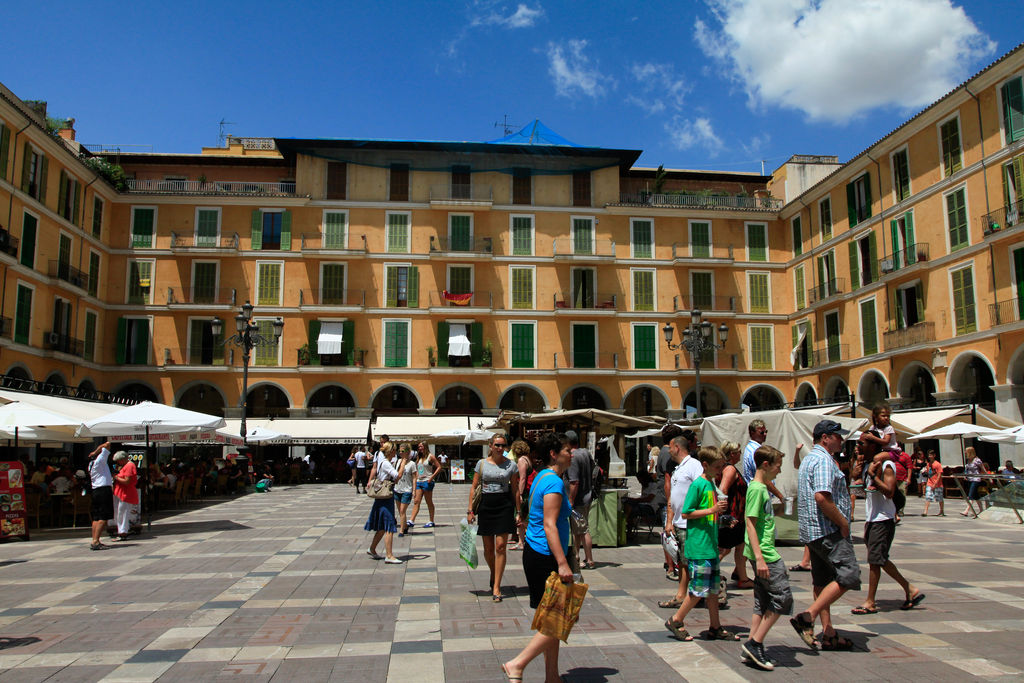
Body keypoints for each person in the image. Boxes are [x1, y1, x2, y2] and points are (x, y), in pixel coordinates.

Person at [501, 432, 574, 683]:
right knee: (556, 619)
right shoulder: (553, 481)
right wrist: (563, 563)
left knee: (550, 618)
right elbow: (549, 524)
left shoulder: (543, 476)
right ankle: (517, 664)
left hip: (535, 552)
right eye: (567, 450)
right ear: (554, 454)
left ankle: (552, 676)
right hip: (547, 556)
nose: (571, 453)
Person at [790, 419, 861, 651]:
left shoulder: (810, 458)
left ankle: (828, 632)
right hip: (828, 530)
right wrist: (843, 523)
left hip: (813, 532)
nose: (841, 439)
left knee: (822, 581)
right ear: (825, 438)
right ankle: (807, 616)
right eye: (837, 436)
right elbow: (822, 497)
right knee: (849, 575)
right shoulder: (822, 460)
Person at [665, 446, 738, 642]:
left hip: (710, 545)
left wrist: (723, 518)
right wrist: (713, 509)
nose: (720, 470)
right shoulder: (698, 485)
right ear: (705, 465)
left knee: (713, 589)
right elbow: (687, 513)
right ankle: (676, 619)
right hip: (699, 546)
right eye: (717, 467)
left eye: (722, 466)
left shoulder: (711, 485)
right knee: (699, 589)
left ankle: (715, 626)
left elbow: (709, 513)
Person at [852, 446, 924, 615]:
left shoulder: (887, 465)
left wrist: (872, 476)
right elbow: (861, 489)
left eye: (862, 443)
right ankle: (910, 588)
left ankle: (870, 602)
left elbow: (890, 492)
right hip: (871, 517)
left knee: (875, 560)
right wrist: (856, 475)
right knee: (880, 558)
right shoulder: (867, 464)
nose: (857, 447)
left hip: (883, 518)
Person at [742, 445, 793, 671]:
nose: (779, 472)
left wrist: (779, 510)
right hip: (765, 553)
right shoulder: (757, 489)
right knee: (783, 598)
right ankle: (755, 643)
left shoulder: (762, 489)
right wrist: (760, 558)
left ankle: (751, 646)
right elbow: (750, 523)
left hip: (762, 550)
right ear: (766, 465)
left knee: (762, 600)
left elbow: (761, 519)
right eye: (777, 466)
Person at [467, 434, 519, 601]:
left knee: (500, 546)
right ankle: (493, 571)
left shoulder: (511, 465)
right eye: (497, 445)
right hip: (486, 505)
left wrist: (519, 511)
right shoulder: (481, 464)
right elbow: (474, 486)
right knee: (489, 550)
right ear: (490, 445)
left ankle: (496, 587)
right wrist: (470, 510)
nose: (500, 448)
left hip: (504, 505)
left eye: (503, 445)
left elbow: (515, 489)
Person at [659, 432, 705, 609]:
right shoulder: (678, 468)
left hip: (689, 524)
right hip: (679, 523)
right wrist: (669, 521)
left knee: (687, 562)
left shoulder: (694, 465)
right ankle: (683, 594)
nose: (668, 450)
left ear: (677, 448)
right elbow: (672, 498)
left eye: (670, 447)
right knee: (682, 562)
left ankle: (687, 595)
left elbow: (702, 490)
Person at [716, 441, 752, 589]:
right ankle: (707, 573)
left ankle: (742, 576)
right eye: (738, 452)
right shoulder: (730, 469)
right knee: (725, 548)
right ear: (732, 454)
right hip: (733, 516)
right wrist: (726, 515)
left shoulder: (725, 468)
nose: (740, 455)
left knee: (739, 546)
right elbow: (723, 490)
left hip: (735, 515)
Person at [364, 441, 404, 564]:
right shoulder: (386, 463)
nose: (396, 452)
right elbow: (397, 476)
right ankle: (389, 555)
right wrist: (403, 462)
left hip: (382, 497)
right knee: (389, 524)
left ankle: (372, 548)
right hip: (385, 497)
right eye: (395, 450)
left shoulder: (385, 462)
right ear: (390, 451)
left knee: (382, 526)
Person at [656, 423, 684, 579]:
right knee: (670, 533)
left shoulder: (662, 451)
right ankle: (671, 566)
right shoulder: (668, 453)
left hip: (664, 496)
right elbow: (668, 479)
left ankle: (670, 565)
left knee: (668, 532)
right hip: (668, 497)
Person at [565, 430, 595, 570]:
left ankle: (589, 560)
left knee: (583, 529)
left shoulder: (573, 457)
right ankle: (576, 555)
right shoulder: (585, 453)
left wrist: (571, 499)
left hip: (578, 499)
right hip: (587, 496)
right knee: (578, 529)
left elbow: (574, 481)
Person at [86, 441, 115, 551]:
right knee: (103, 517)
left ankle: (94, 539)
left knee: (96, 517)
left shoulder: (90, 465)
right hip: (103, 489)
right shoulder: (100, 460)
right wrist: (96, 451)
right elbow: (107, 444)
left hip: (95, 490)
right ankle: (96, 541)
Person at [408, 444, 442, 528]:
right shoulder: (418, 457)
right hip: (419, 481)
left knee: (428, 501)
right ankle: (411, 520)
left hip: (427, 481)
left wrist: (432, 477)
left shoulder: (431, 457)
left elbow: (439, 467)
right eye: (419, 447)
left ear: (425, 447)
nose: (420, 448)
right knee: (416, 501)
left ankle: (431, 520)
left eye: (421, 446)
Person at [509, 439, 533, 551]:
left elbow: (522, 478)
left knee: (521, 517)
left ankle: (523, 542)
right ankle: (521, 542)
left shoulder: (521, 460)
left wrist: (520, 494)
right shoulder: (528, 459)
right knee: (523, 518)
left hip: (525, 491)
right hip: (528, 491)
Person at [110, 451, 138, 542]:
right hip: (121, 493)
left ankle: (123, 532)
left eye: (118, 461)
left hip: (126, 493)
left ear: (123, 459)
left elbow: (127, 481)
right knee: (120, 513)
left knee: (123, 513)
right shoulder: (124, 466)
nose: (118, 463)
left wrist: (116, 477)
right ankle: (121, 531)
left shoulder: (129, 466)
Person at [392, 443, 416, 536]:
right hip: (397, 489)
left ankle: (401, 530)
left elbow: (414, 477)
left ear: (408, 452)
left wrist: (414, 490)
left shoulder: (412, 464)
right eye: (400, 451)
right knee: (400, 511)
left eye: (403, 451)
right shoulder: (397, 462)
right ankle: (405, 526)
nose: (401, 453)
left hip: (407, 490)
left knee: (402, 511)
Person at [961, 446, 989, 516]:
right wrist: (965, 475)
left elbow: (983, 468)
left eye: (966, 451)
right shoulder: (968, 460)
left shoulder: (977, 460)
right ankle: (981, 509)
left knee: (971, 495)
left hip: (976, 479)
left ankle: (966, 510)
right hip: (970, 479)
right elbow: (967, 469)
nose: (965, 453)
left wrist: (988, 477)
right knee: (976, 496)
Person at [922, 450, 945, 516]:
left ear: (934, 456)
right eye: (929, 455)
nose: (929, 456)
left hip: (938, 484)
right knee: (928, 496)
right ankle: (925, 511)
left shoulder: (938, 464)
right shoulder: (928, 464)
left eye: (931, 455)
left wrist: (936, 483)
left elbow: (939, 474)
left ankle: (941, 511)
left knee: (939, 498)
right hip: (930, 483)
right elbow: (928, 473)